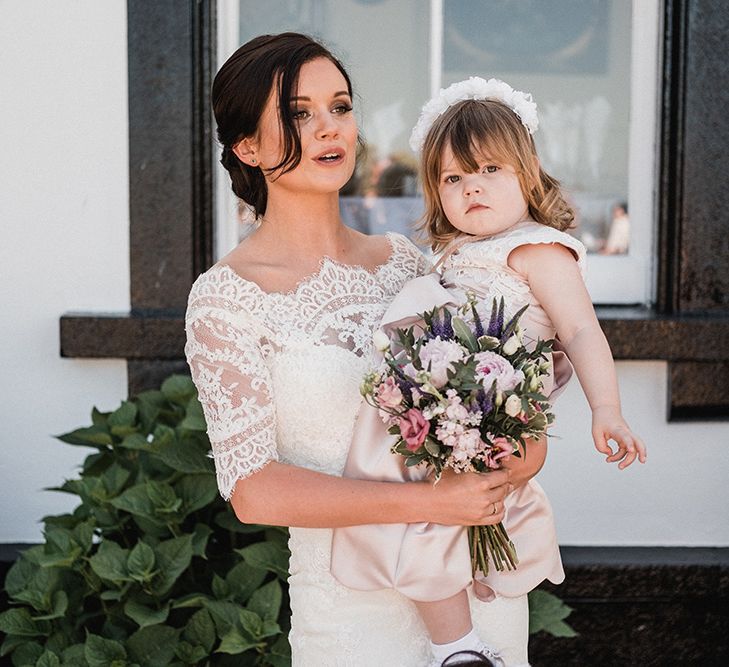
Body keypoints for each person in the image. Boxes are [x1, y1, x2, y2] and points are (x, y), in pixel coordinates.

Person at [185, 36, 546, 666]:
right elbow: (253, 491)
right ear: (246, 146)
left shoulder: (410, 262)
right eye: (299, 114)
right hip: (352, 612)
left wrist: (524, 453)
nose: (331, 129)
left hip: (474, 589)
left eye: (341, 106)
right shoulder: (227, 298)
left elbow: (506, 388)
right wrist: (431, 501)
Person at [331, 77, 647, 667]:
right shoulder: (449, 253)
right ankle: (460, 647)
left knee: (449, 510)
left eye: (490, 170)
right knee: (429, 508)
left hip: (502, 410)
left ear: (527, 174)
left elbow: (580, 331)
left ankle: (459, 641)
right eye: (453, 178)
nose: (471, 186)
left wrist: (607, 409)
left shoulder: (537, 249)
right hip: (449, 407)